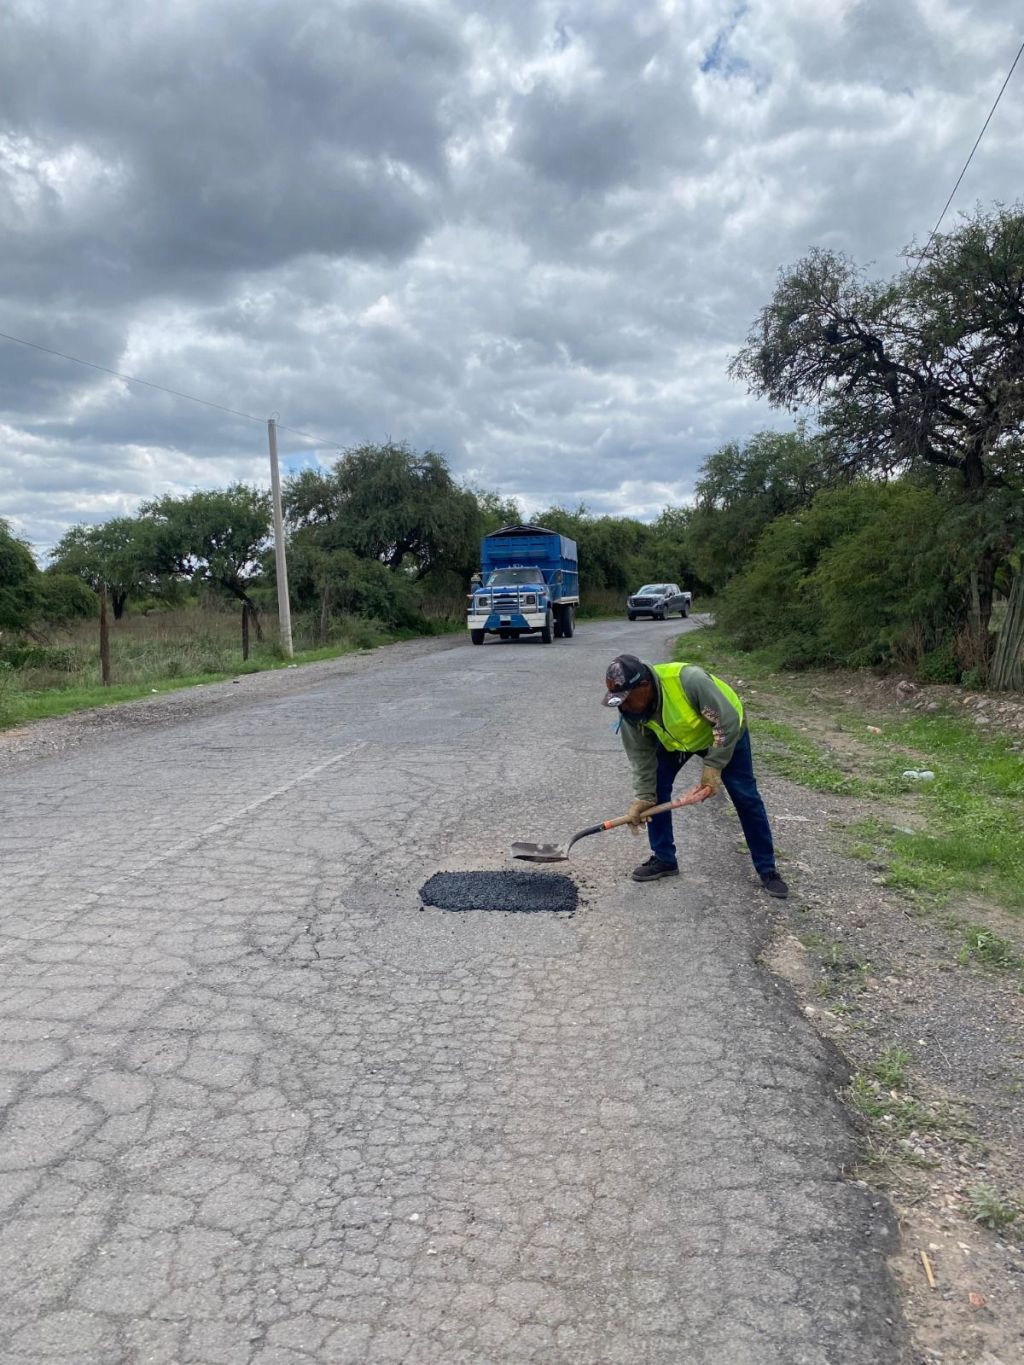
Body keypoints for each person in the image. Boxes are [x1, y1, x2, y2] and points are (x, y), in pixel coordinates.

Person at [602, 653, 788, 897]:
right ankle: (664, 859)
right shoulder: (630, 713)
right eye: (619, 701)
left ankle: (767, 869)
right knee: (656, 789)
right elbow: (641, 757)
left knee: (745, 796)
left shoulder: (688, 681)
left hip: (724, 731)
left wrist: (714, 766)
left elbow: (727, 720)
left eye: (626, 699)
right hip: (678, 742)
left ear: (644, 686)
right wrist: (645, 795)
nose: (623, 706)